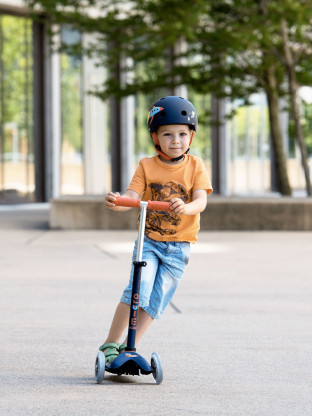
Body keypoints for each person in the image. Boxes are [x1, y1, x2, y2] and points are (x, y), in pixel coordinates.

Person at [99, 96, 213, 364]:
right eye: (168, 134)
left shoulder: (195, 165)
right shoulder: (146, 166)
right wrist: (118, 203)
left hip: (179, 247)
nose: (176, 140)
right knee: (140, 287)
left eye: (183, 134)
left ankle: (128, 350)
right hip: (149, 242)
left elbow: (201, 200)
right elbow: (131, 197)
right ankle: (109, 344)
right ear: (156, 137)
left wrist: (186, 208)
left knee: (157, 300)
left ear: (191, 136)